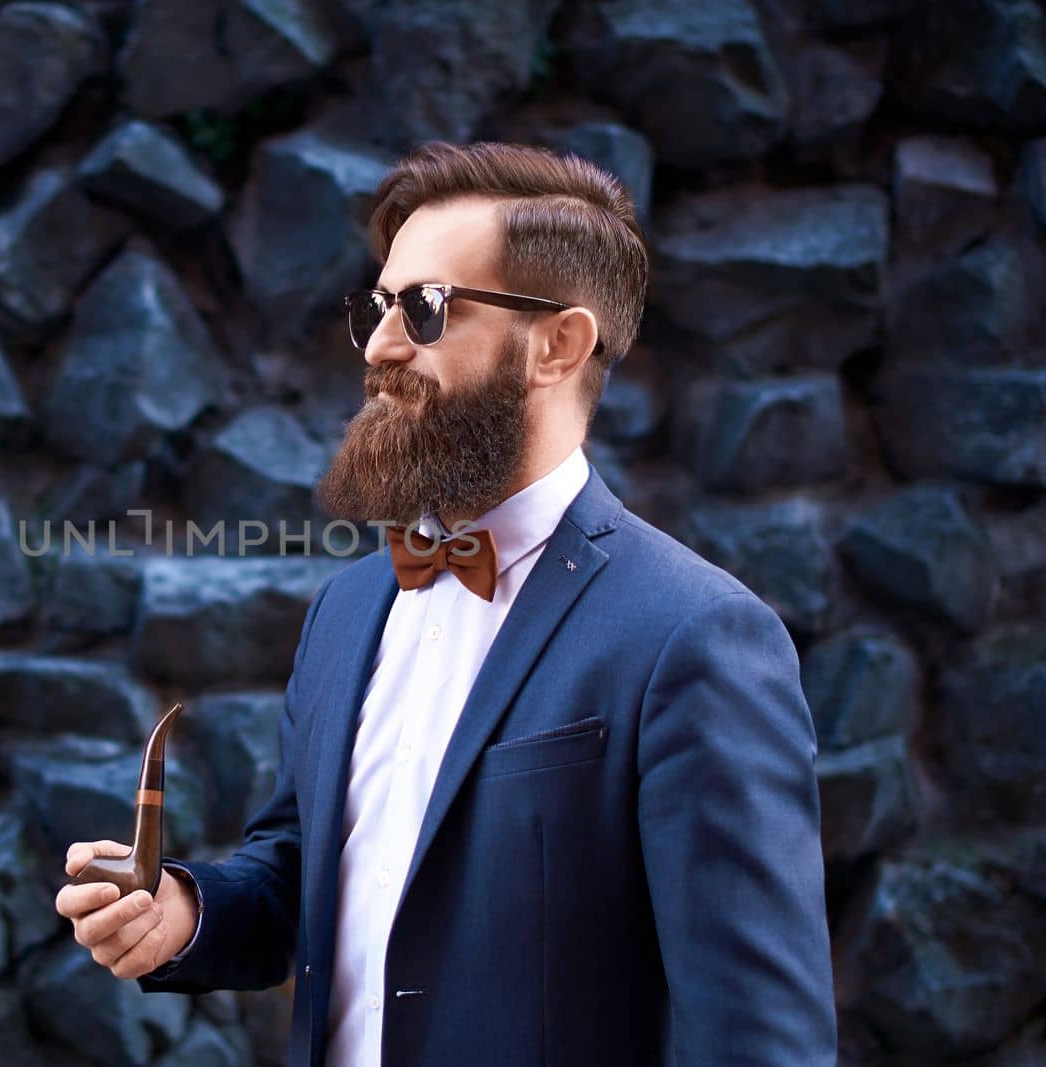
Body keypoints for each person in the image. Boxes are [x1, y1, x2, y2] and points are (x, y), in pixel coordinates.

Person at [56, 140, 836, 1066]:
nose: (382, 344)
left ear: (559, 345)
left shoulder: (695, 637)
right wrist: (185, 915)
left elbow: (757, 1038)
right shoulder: (347, 608)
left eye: (424, 309)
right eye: (379, 306)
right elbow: (305, 870)